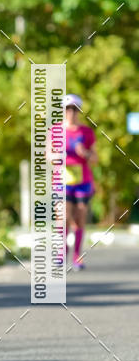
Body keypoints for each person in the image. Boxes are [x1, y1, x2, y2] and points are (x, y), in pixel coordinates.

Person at [64, 94, 97, 269]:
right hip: (63, 180)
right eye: (68, 108)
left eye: (75, 109)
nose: (71, 112)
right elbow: (47, 154)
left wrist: (85, 153)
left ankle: (77, 255)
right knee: (63, 217)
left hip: (83, 181)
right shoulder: (56, 131)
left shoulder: (87, 132)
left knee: (80, 218)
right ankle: (62, 253)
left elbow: (95, 158)